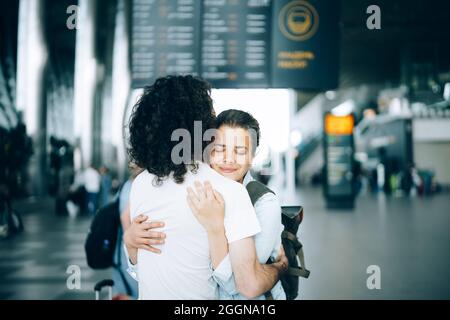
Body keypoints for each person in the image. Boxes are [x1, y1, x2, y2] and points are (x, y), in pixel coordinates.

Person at [125, 75, 287, 300]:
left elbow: (148, 273)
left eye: (239, 150)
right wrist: (280, 268)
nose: (228, 159)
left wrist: (130, 247)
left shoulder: (141, 185)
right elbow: (248, 285)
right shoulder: (229, 192)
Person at [111, 163, 142, 299]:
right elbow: (125, 217)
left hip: (120, 252)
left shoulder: (126, 185)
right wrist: (130, 244)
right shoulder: (137, 185)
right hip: (127, 252)